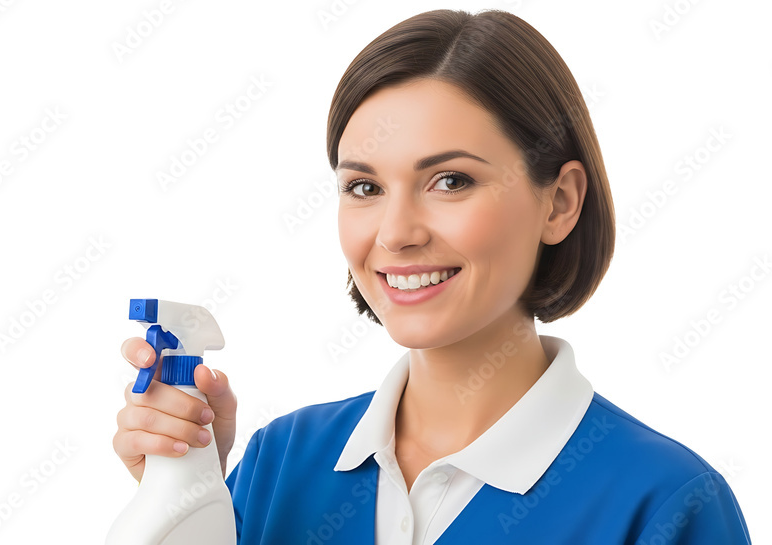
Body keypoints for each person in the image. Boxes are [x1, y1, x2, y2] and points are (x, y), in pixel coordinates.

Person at [114, 8, 752, 544]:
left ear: (559, 203)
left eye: (450, 181)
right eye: (365, 187)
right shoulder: (278, 464)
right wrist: (188, 499)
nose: (396, 233)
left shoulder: (665, 504)